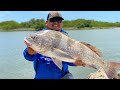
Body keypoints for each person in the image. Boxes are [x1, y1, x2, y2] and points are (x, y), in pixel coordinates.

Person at [23, 11, 102, 79]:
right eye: (53, 20)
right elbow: (28, 57)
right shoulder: (41, 36)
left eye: (59, 21)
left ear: (62, 24)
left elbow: (68, 60)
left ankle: (104, 64)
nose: (56, 23)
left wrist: (76, 63)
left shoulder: (66, 37)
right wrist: (30, 51)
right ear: (46, 22)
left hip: (63, 76)